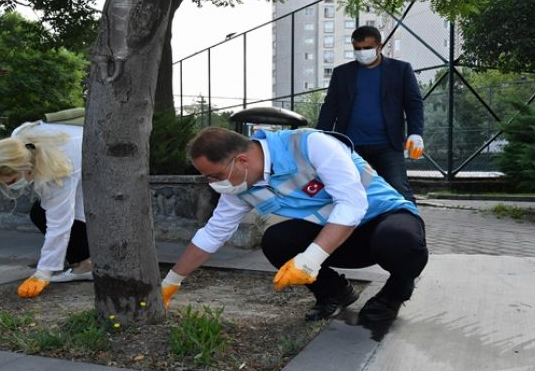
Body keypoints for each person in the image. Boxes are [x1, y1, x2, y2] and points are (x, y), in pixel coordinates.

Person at [161, 126, 428, 324]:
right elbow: (213, 234)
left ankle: (395, 292)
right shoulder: (240, 185)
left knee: (400, 242)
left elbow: (352, 205)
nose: (213, 184)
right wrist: (171, 281)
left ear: (241, 161)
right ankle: (334, 294)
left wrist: (311, 258)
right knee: (277, 241)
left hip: (384, 216)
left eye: (216, 175)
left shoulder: (310, 145)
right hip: (340, 236)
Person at [0, 108, 92, 299]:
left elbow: (59, 224)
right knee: (42, 212)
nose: (10, 186)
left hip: (95, 158)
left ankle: (87, 265)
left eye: (12, 180)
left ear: (23, 166)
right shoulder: (18, 141)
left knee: (50, 214)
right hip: (78, 156)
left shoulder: (60, 163)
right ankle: (85, 263)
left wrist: (42, 274)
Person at [316, 25, 424, 204]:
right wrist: (319, 138)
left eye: (367, 48)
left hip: (388, 145)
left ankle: (414, 229)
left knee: (399, 190)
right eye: (357, 49)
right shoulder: (342, 73)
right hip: (350, 146)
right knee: (349, 193)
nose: (361, 52)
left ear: (379, 47)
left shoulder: (401, 70)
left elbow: (414, 104)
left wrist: (416, 133)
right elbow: (330, 108)